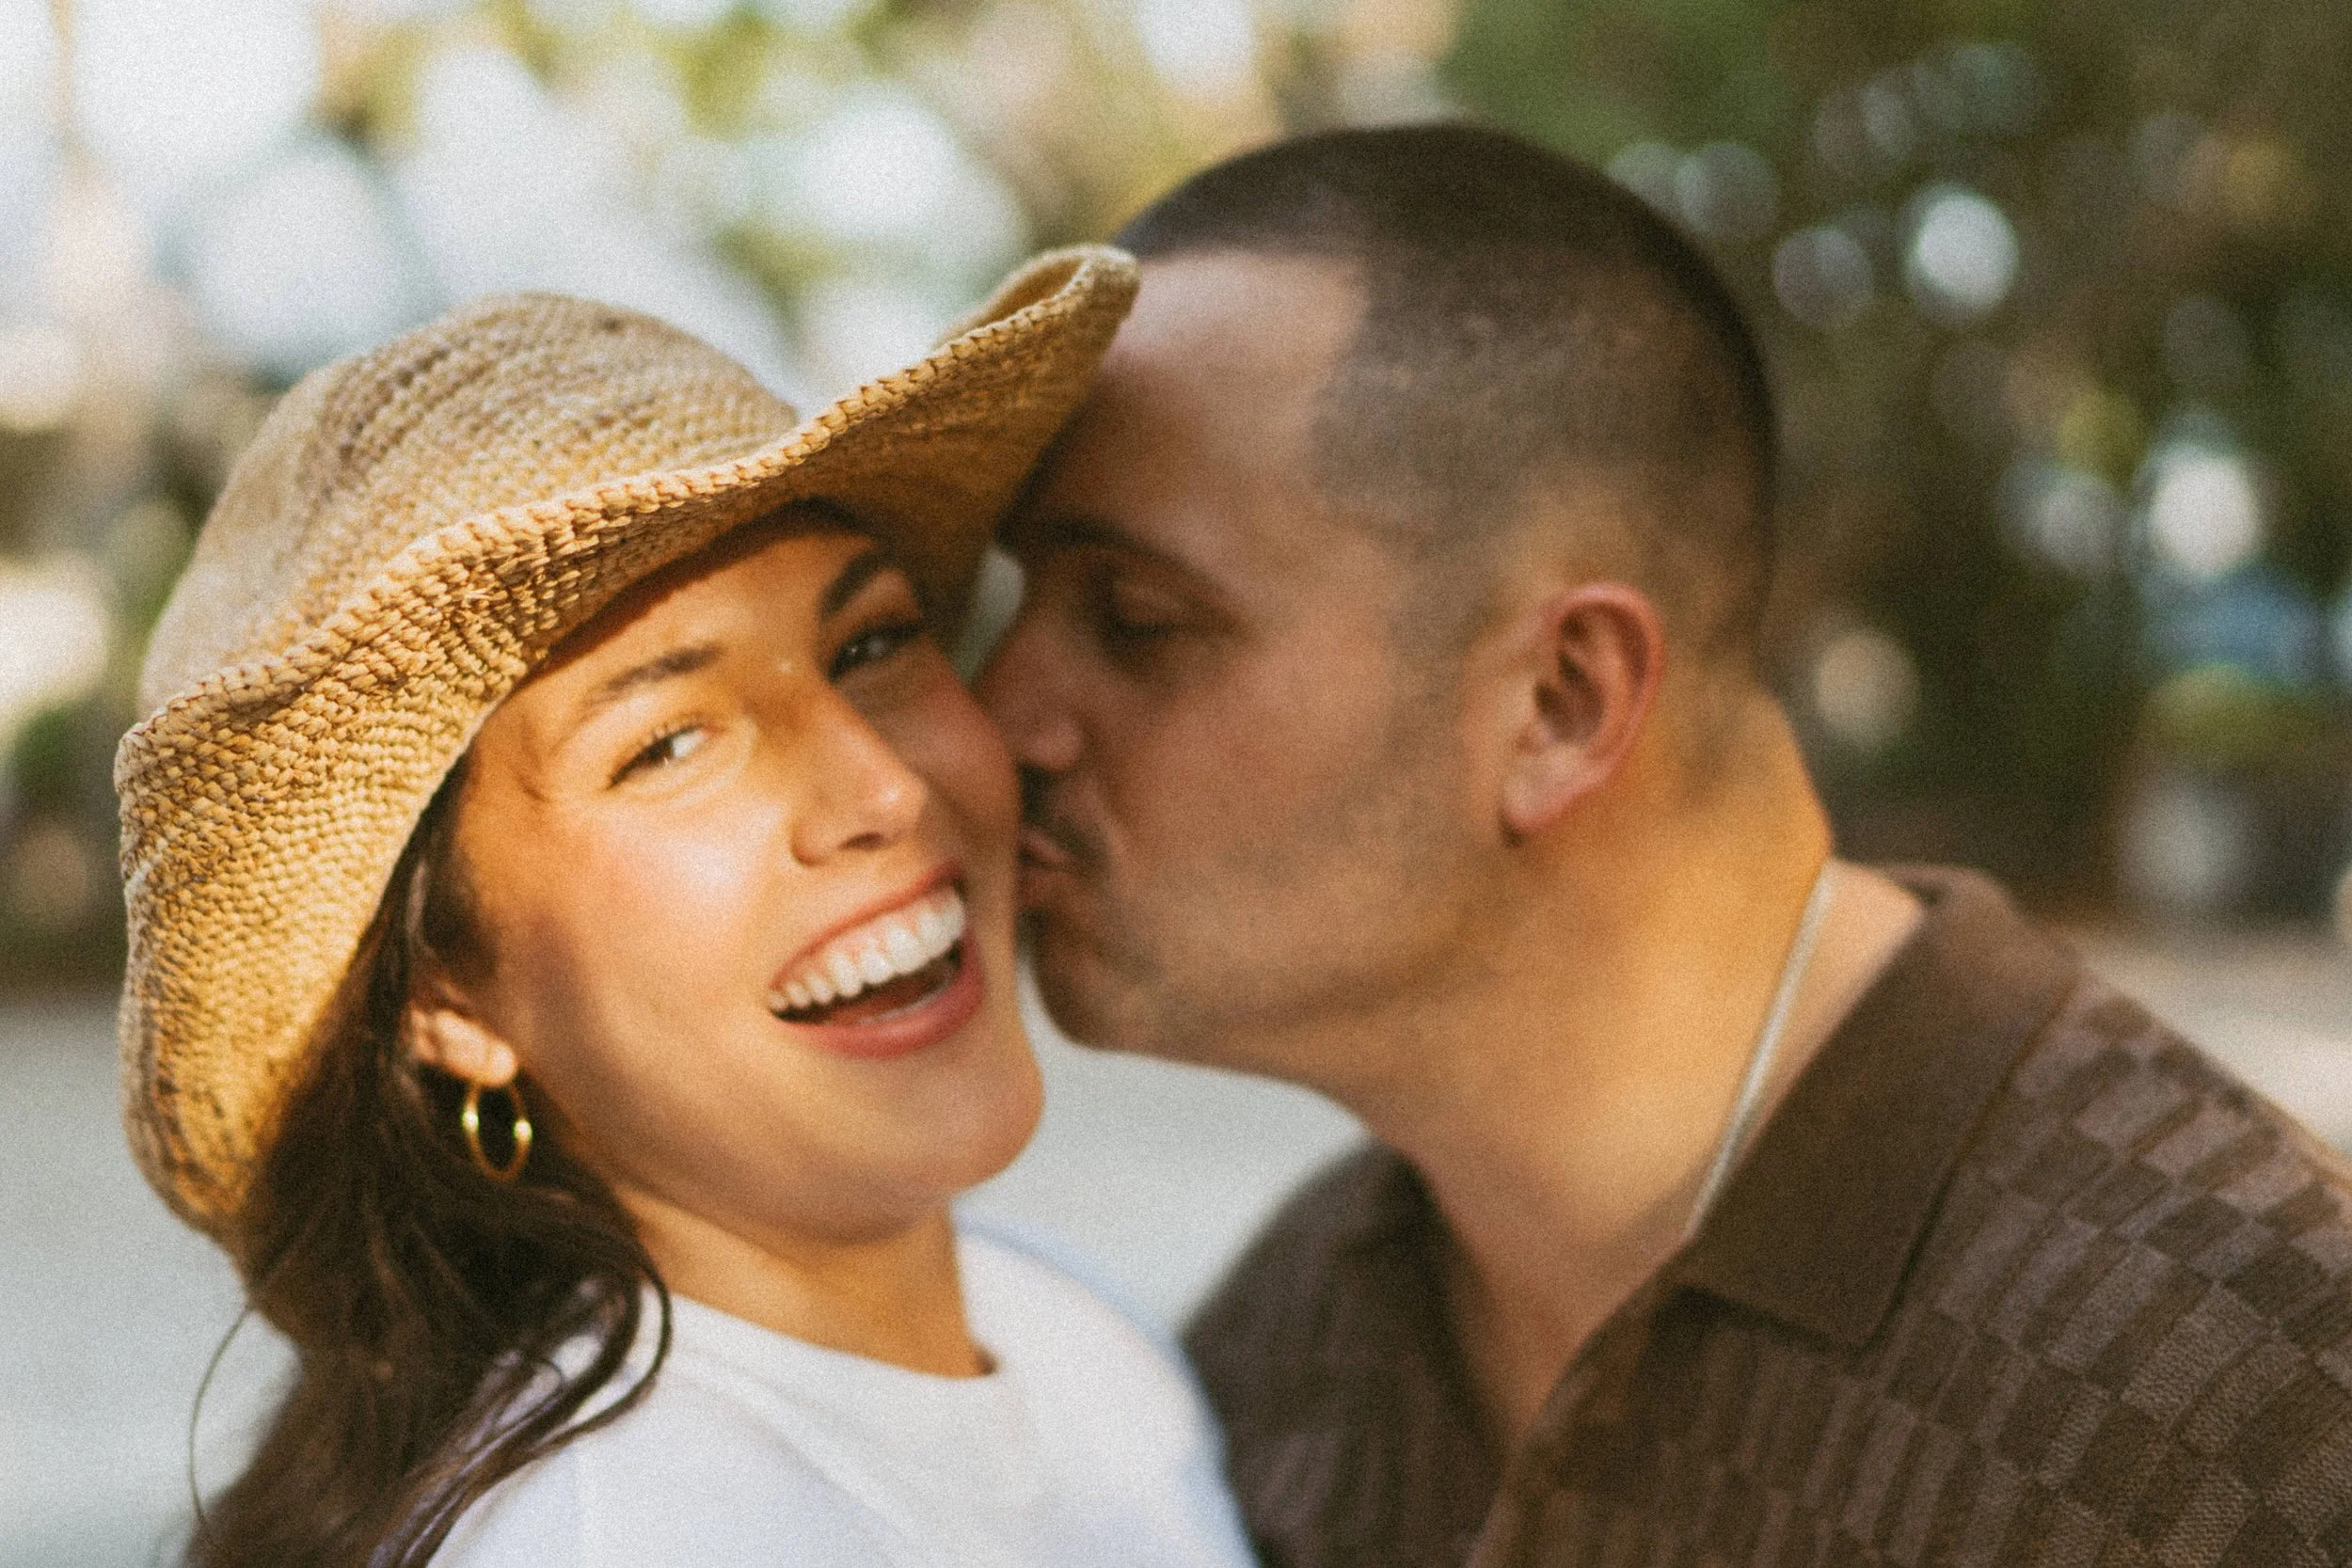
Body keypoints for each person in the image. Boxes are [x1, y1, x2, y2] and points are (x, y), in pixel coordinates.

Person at [977, 123, 2352, 1568]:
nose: (1001, 711)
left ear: (1562, 701)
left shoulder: (2258, 1399)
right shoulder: (1299, 1337)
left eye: (1135, 619)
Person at [116, 255, 1257, 1568]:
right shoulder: (613, 1533)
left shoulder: (1077, 1345)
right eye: (666, 745)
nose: (882, 787)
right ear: (447, 995)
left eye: (872, 644)